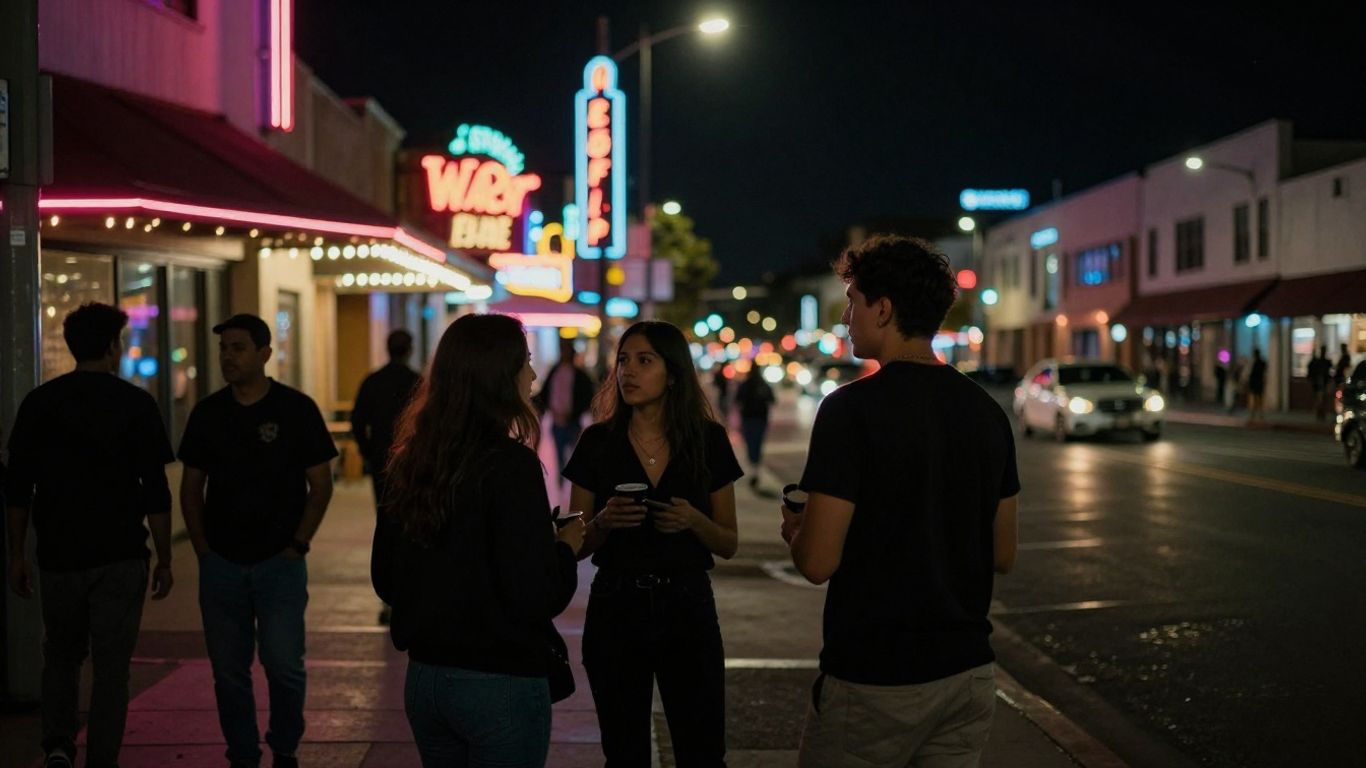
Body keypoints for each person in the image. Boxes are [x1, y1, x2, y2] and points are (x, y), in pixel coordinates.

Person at [780, 235, 1019, 767]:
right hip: (967, 676)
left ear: (884, 309)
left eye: (854, 302)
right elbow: (1003, 553)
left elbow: (818, 563)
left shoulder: (850, 410)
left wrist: (798, 530)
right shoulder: (987, 414)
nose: (846, 317)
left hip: (876, 677)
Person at [371, 313, 584, 767]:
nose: (532, 374)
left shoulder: (412, 461)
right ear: (498, 376)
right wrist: (565, 546)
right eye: (525, 362)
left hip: (427, 679)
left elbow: (386, 577)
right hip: (499, 680)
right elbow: (535, 593)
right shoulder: (511, 466)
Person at [563, 321, 743, 767]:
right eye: (623, 360)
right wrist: (603, 521)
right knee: (624, 752)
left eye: (645, 361)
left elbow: (728, 542)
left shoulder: (707, 440)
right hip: (616, 605)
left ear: (674, 372)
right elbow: (574, 544)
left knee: (701, 749)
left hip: (687, 604)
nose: (629, 372)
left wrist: (694, 521)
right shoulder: (597, 442)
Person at [5, 303, 176, 768]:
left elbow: (18, 488)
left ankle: (58, 745)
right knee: (112, 667)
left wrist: (17, 554)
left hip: (59, 553)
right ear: (112, 346)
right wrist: (164, 556)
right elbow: (156, 491)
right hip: (121, 554)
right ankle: (103, 756)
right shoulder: (137, 404)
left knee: (60, 656)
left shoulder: (41, 402)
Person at [178, 313, 338, 768]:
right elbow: (191, 487)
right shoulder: (208, 413)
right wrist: (203, 550)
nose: (228, 356)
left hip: (279, 564)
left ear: (265, 354)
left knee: (284, 665)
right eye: (224, 348)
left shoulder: (295, 410)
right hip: (222, 564)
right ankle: (243, 754)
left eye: (239, 348)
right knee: (229, 673)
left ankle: (284, 744)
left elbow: (320, 483)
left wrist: (299, 543)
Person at [352, 329, 422, 625]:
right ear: (409, 350)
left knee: (386, 521)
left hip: (382, 463)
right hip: (414, 465)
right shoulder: (417, 382)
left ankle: (389, 598)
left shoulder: (373, 381)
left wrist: (368, 452)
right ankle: (409, 592)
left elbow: (358, 420)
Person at [532, 338, 596, 471]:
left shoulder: (579, 375)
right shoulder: (555, 372)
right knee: (560, 451)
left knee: (575, 452)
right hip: (557, 419)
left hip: (572, 419)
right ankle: (563, 477)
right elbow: (546, 393)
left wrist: (574, 412)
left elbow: (587, 396)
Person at [734, 365, 776, 487]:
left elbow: (738, 401)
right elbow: (772, 400)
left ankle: (753, 466)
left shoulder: (745, 385)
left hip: (748, 419)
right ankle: (755, 467)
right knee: (758, 443)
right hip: (761, 419)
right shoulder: (763, 385)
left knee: (750, 442)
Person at [1308, 345, 1333, 421]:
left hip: (1323, 383)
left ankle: (1321, 414)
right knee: (1320, 399)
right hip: (1318, 384)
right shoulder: (1319, 362)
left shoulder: (1325, 362)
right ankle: (1320, 414)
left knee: (1322, 399)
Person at [1247, 348, 1268, 422]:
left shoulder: (1254, 362)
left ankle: (1253, 414)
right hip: (1260, 382)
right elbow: (1265, 372)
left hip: (1255, 382)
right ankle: (1260, 414)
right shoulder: (1263, 362)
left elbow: (1252, 373)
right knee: (1260, 399)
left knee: (1254, 399)